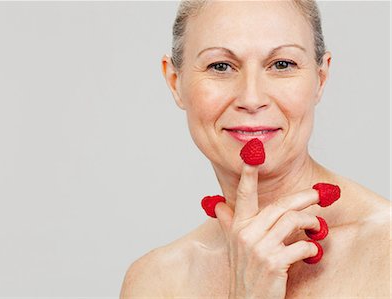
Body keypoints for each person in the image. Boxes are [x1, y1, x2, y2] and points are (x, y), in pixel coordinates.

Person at [120, 0, 391, 297]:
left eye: (282, 64)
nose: (251, 98)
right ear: (175, 82)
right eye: (220, 66)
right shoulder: (154, 282)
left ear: (320, 79)